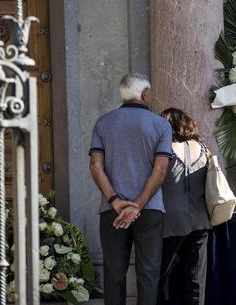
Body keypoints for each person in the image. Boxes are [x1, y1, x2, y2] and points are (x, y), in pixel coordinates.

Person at [89, 73, 173, 305]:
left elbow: (95, 166)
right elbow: (160, 171)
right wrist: (137, 205)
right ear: (145, 95)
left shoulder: (103, 122)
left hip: (112, 210)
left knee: (114, 274)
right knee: (148, 274)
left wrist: (116, 201)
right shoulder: (161, 125)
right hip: (150, 209)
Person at [157, 108, 211, 305]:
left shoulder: (164, 150)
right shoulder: (204, 148)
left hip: (169, 220)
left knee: (158, 276)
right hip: (200, 219)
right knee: (196, 279)